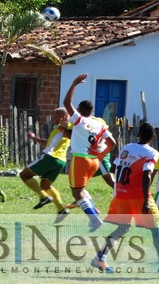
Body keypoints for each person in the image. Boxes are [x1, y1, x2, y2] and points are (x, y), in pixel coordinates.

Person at [92, 122, 159, 274]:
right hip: (138, 196)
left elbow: (114, 168)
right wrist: (146, 201)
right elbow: (146, 175)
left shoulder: (127, 147)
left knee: (123, 227)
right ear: (154, 137)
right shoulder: (152, 152)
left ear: (137, 134)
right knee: (157, 229)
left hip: (121, 195)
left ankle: (100, 257)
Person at [63, 73, 116, 232]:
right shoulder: (98, 124)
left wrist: (74, 83)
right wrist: (101, 154)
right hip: (94, 161)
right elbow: (112, 143)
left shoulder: (80, 120)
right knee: (82, 189)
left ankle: (94, 219)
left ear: (79, 110)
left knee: (77, 193)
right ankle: (94, 211)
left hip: (80, 159)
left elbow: (66, 102)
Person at [21, 107, 72, 223]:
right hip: (60, 161)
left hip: (50, 157)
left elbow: (68, 133)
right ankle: (61, 210)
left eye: (55, 115)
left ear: (63, 117)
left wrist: (65, 124)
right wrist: (34, 138)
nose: (52, 117)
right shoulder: (58, 129)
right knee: (45, 185)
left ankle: (43, 197)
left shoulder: (66, 126)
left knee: (24, 175)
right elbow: (48, 143)